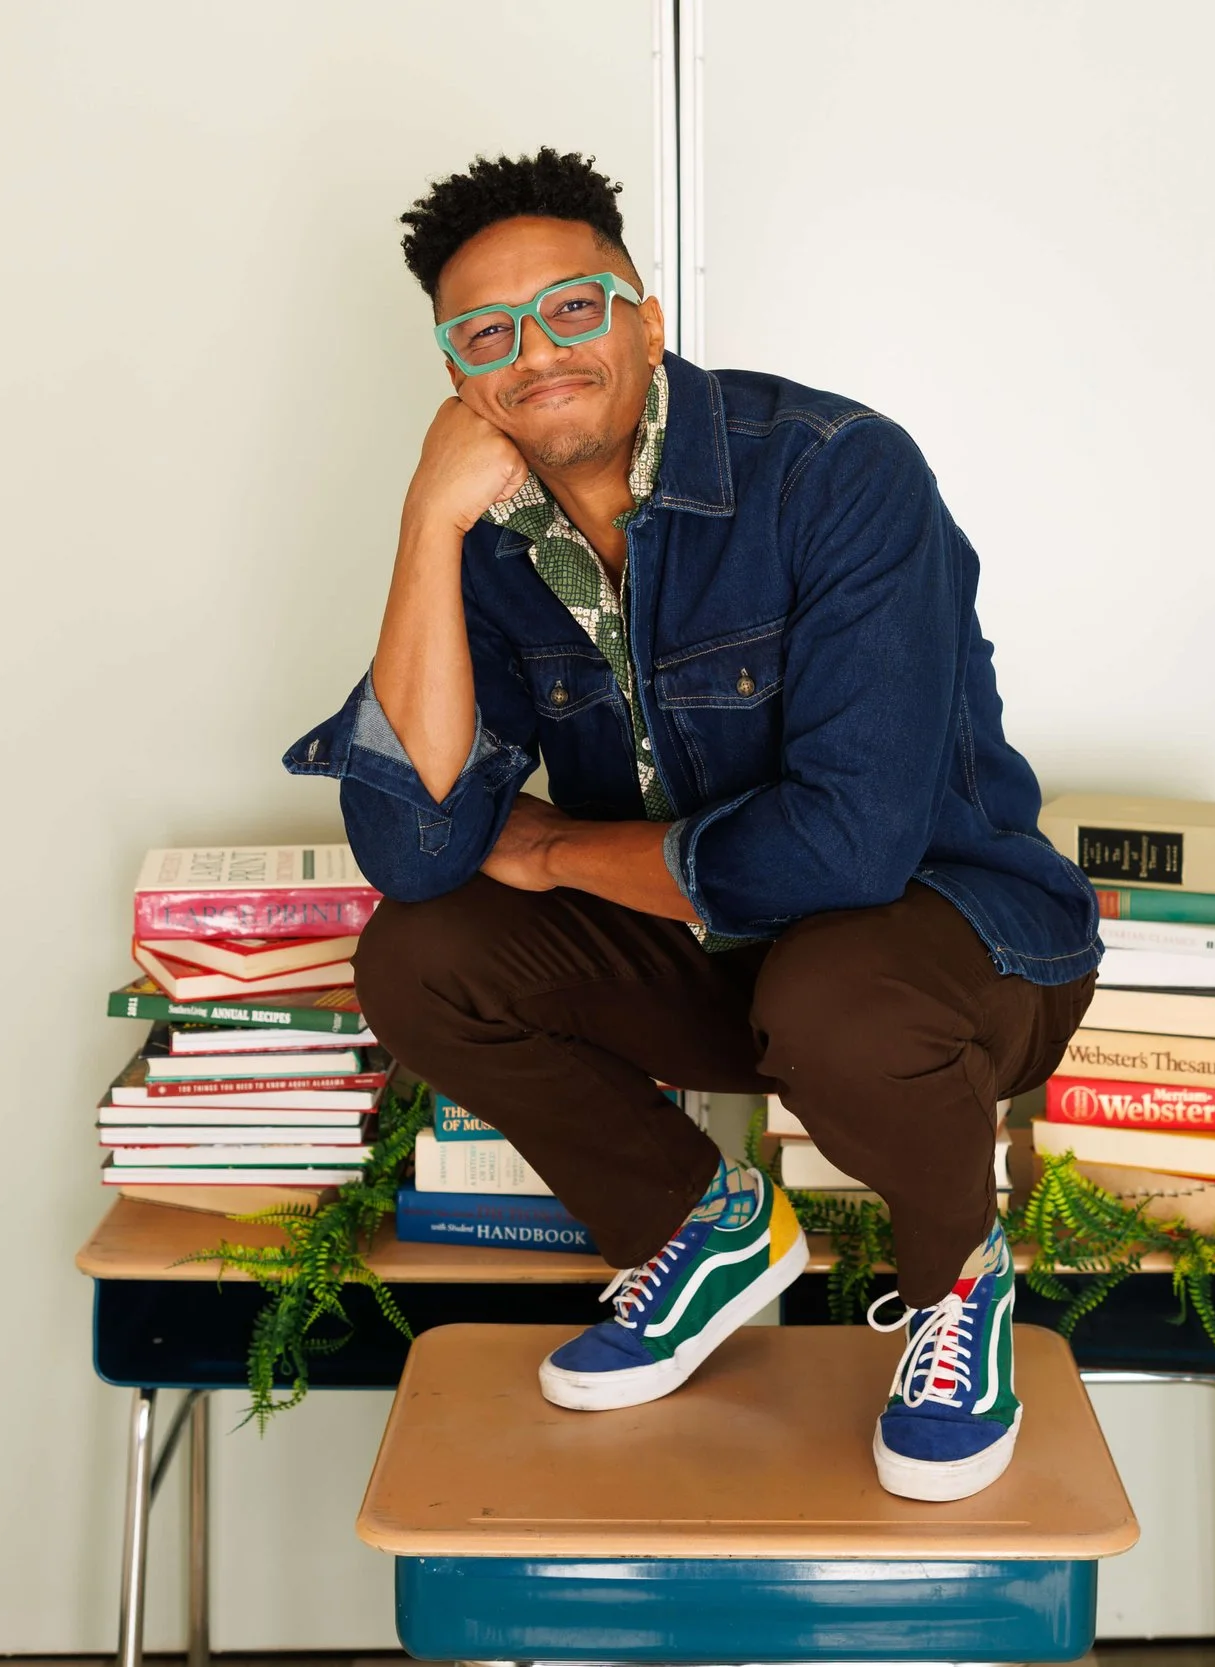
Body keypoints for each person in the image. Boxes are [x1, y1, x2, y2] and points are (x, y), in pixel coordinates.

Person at [285, 149, 1100, 1502]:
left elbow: (849, 851)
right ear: (457, 378)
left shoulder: (835, 472)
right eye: (487, 334)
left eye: (572, 308)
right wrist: (427, 522)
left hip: (957, 961)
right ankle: (704, 1227)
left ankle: (958, 1282)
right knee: (419, 957)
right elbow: (415, 850)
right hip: (721, 962)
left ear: (646, 317)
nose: (536, 352)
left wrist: (552, 848)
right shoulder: (489, 537)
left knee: (837, 985)